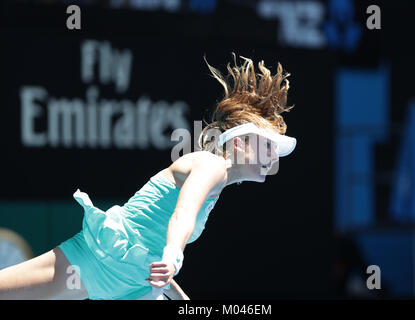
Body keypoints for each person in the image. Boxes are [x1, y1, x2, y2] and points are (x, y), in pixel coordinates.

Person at [0, 53, 296, 300]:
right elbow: (182, 215)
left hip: (131, 279)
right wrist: (172, 256)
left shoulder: (217, 182)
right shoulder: (211, 166)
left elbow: (154, 248)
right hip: (100, 260)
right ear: (237, 143)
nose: (272, 157)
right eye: (266, 145)